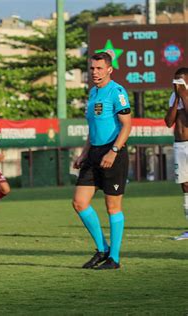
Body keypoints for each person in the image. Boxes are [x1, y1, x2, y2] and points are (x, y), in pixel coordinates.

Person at [72, 52, 131, 270]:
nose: (95, 72)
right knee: (79, 202)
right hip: (94, 153)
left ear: (109, 69)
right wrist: (84, 152)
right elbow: (93, 128)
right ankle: (102, 249)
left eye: (99, 68)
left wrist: (113, 151)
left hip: (113, 152)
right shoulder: (93, 93)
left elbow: (127, 125)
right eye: (92, 69)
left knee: (112, 206)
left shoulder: (117, 92)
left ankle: (114, 258)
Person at [164, 67, 188, 241]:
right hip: (180, 145)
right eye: (175, 80)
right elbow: (168, 122)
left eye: (180, 79)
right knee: (185, 186)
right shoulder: (174, 97)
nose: (176, 83)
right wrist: (177, 98)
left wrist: (184, 95)